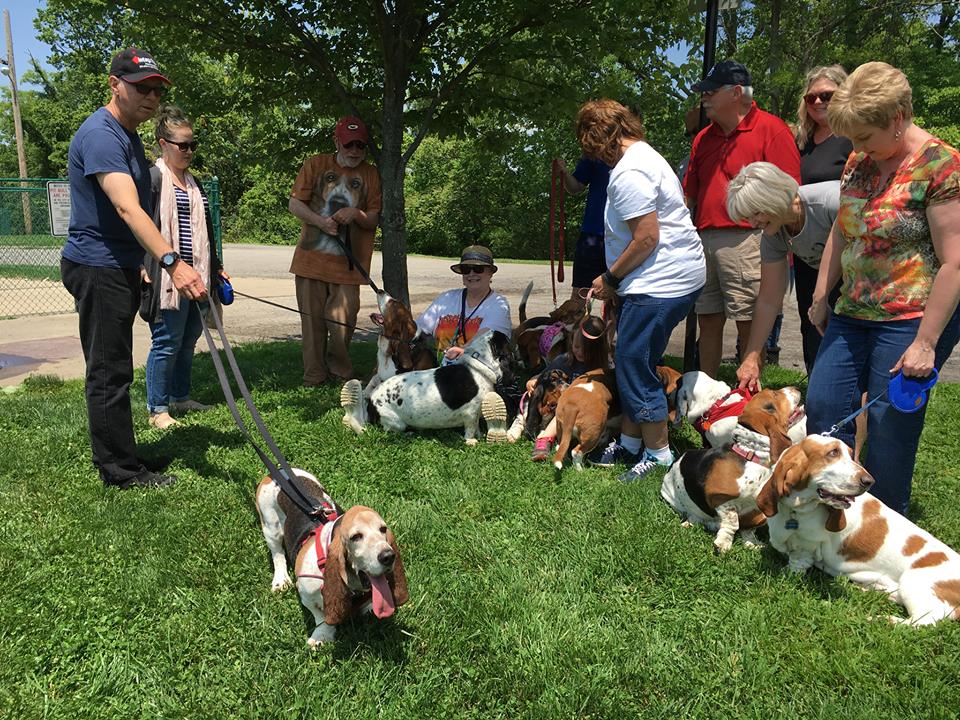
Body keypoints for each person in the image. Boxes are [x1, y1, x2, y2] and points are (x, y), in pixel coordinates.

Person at [806, 61, 960, 515]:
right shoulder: (860, 161)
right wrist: (821, 295)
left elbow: (954, 262)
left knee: (889, 425)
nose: (856, 149)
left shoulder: (941, 165)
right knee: (823, 404)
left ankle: (884, 523)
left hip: (910, 318)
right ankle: (829, 512)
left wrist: (925, 343)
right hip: (852, 310)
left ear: (898, 119)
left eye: (864, 137)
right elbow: (842, 230)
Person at [60, 47, 206, 490]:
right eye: (142, 88)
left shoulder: (126, 135)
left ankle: (123, 455)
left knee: (118, 367)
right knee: (109, 372)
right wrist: (172, 262)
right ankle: (119, 471)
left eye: (157, 90)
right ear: (114, 84)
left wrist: (137, 262)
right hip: (96, 267)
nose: (152, 97)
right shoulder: (102, 135)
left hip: (117, 264)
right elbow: (127, 208)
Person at [575, 99, 705, 483]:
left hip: (660, 283)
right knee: (636, 359)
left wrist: (610, 279)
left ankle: (658, 455)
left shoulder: (629, 172)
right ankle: (631, 443)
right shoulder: (646, 156)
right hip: (666, 279)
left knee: (633, 361)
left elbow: (647, 238)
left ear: (598, 139)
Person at [683, 60, 801, 378]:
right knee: (707, 319)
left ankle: (749, 396)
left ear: (736, 93)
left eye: (711, 91)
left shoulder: (772, 130)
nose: (704, 97)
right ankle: (706, 395)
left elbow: (790, 194)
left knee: (750, 321)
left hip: (751, 239)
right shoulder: (703, 138)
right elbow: (689, 194)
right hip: (704, 239)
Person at [140, 106, 228, 429]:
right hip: (166, 277)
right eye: (183, 145)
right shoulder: (151, 179)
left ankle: (180, 396)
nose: (189, 151)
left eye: (193, 144)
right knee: (166, 341)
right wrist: (141, 264)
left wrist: (216, 268)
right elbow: (136, 225)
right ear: (163, 143)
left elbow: (207, 230)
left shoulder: (195, 184)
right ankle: (157, 409)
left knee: (189, 338)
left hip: (197, 277)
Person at [726, 162, 839, 390]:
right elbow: (768, 300)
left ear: (774, 196)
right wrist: (751, 356)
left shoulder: (831, 202)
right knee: (821, 368)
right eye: (748, 217)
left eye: (756, 213)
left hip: (872, 286)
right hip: (826, 286)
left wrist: (822, 297)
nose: (753, 223)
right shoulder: (773, 232)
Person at [288, 116, 382, 386]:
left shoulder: (371, 174)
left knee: (344, 322)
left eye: (360, 145)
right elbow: (294, 204)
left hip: (349, 266)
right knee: (312, 324)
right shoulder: (315, 164)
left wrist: (356, 213)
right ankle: (314, 376)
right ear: (336, 142)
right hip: (310, 262)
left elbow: (373, 218)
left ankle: (340, 371)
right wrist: (320, 222)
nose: (354, 151)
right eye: (349, 144)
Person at [793, 65, 854, 371]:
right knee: (810, 318)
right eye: (811, 97)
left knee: (842, 318)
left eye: (826, 95)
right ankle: (816, 383)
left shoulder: (853, 137)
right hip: (808, 247)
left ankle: (845, 384)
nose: (817, 102)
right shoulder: (801, 141)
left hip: (847, 243)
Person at [526, 314, 610, 461]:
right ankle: (523, 424)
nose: (580, 352)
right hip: (558, 410)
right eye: (576, 346)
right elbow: (544, 376)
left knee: (567, 407)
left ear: (598, 350)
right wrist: (533, 380)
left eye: (586, 350)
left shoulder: (602, 370)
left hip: (583, 415)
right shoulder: (564, 360)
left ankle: (545, 437)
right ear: (571, 341)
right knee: (533, 396)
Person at [416, 245, 512, 364]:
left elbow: (486, 336)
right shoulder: (446, 298)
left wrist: (464, 349)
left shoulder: (498, 305)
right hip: (436, 370)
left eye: (478, 269)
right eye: (466, 269)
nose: (471, 273)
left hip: (475, 371)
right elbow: (419, 328)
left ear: (490, 273)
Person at [553, 156, 611, 296]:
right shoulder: (594, 155)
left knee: (618, 298)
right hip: (593, 234)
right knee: (580, 295)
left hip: (624, 236)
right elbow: (575, 187)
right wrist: (564, 172)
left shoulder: (636, 154)